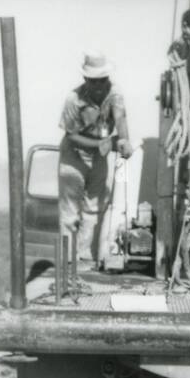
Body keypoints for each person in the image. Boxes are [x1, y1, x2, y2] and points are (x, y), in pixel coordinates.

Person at [59, 51, 133, 266]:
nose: (100, 85)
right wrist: (104, 145)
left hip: (99, 157)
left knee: (93, 208)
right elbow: (71, 136)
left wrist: (124, 140)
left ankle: (83, 257)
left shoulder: (115, 94)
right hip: (73, 157)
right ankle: (67, 262)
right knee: (70, 212)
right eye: (95, 81)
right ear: (86, 80)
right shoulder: (73, 99)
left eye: (104, 80)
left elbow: (120, 117)